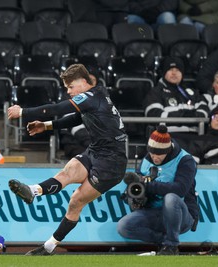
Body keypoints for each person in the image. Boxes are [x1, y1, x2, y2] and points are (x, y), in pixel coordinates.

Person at [7, 64, 128, 255]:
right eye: (67, 88)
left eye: (71, 87)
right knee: (69, 170)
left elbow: (56, 108)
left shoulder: (90, 97)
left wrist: (22, 112)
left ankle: (49, 246)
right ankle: (32, 191)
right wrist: (46, 126)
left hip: (112, 164)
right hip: (96, 151)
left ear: (83, 82)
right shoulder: (96, 96)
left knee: (76, 201)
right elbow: (76, 119)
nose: (69, 91)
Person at [117, 125, 199, 255]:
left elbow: (180, 190)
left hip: (183, 215)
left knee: (171, 198)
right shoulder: (146, 160)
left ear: (168, 150)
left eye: (160, 154)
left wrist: (147, 185)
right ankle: (165, 242)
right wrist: (133, 198)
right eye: (152, 153)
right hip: (154, 212)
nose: (155, 157)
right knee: (124, 226)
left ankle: (172, 245)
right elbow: (138, 187)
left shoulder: (185, 160)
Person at [144, 56, 207, 133]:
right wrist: (184, 116)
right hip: (167, 137)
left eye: (177, 70)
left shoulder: (193, 92)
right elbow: (153, 115)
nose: (174, 73)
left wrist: (178, 117)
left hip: (194, 137)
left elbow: (204, 113)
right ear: (164, 73)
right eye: (170, 70)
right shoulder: (156, 92)